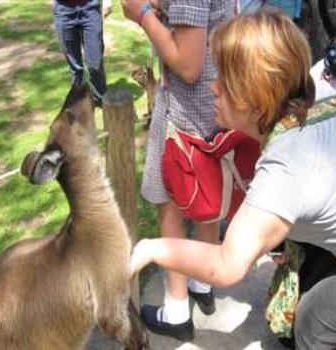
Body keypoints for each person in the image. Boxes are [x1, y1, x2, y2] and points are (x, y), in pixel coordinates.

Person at [131, 10, 336, 349]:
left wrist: (153, 248)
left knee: (314, 325)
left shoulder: (284, 169)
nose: (212, 86)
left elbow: (227, 264)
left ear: (255, 94)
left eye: (224, 79)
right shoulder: (314, 102)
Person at [121, 0, 236, 341]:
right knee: (207, 199)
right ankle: (202, 282)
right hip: (213, 107)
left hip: (185, 113)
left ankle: (176, 310)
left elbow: (187, 65)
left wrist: (141, 14)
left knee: (170, 204)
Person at [53, 0, 107, 107]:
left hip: (90, 8)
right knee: (75, 68)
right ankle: (79, 102)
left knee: (95, 64)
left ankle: (100, 100)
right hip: (63, 10)